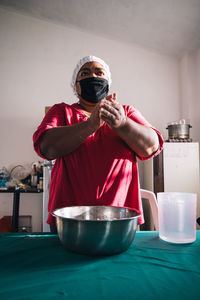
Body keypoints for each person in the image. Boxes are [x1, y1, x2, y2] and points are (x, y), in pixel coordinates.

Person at [33, 55, 163, 233]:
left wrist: (122, 124)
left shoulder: (125, 112)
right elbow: (46, 147)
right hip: (68, 218)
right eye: (85, 73)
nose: (93, 77)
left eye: (99, 72)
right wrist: (90, 125)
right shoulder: (61, 112)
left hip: (121, 217)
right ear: (76, 85)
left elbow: (151, 146)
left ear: (107, 82)